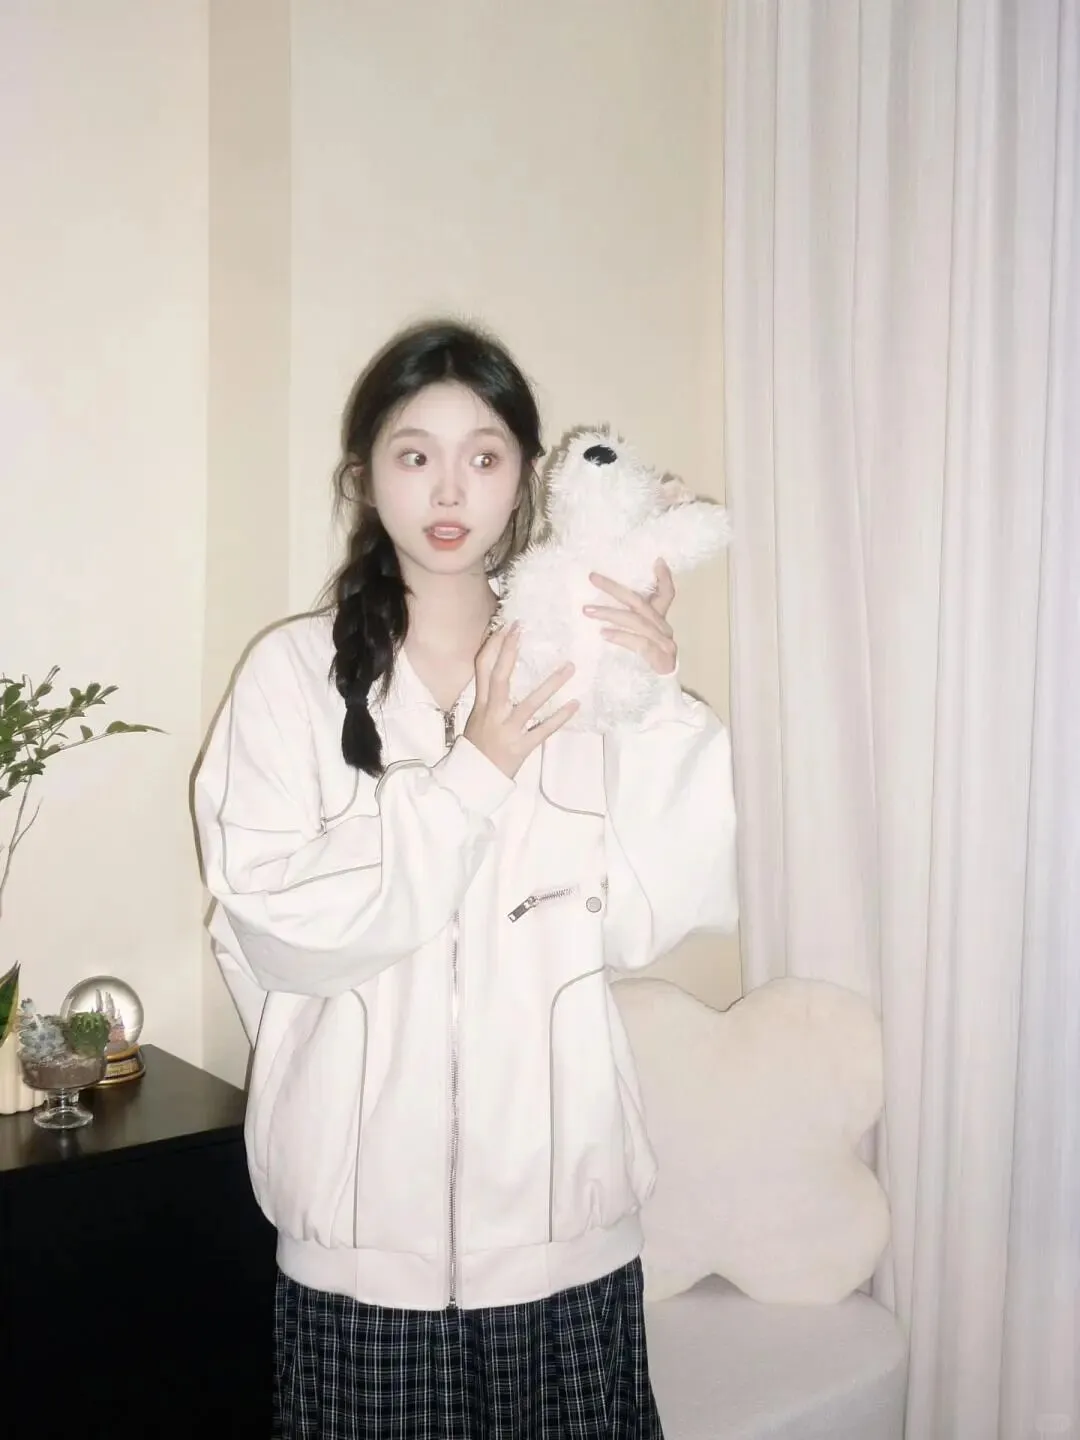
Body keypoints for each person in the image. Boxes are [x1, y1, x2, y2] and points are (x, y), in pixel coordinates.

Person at [193, 318, 738, 1439]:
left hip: (565, 1252)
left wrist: (655, 707)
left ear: (527, 478)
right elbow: (281, 935)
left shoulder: (578, 676)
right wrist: (473, 774)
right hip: (360, 1266)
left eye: (484, 456)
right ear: (364, 476)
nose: (450, 488)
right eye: (415, 453)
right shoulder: (289, 678)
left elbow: (649, 917)